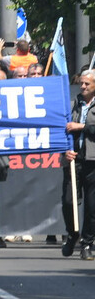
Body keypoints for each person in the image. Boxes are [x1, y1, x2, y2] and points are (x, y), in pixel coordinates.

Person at [63, 70, 95, 259]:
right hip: (73, 159)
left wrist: (82, 127)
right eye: (81, 83)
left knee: (92, 206)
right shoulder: (73, 104)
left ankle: (87, 243)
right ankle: (72, 233)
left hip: (92, 160)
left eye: (87, 84)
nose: (82, 87)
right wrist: (64, 152)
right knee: (68, 201)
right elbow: (62, 129)